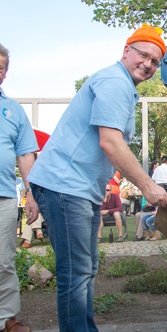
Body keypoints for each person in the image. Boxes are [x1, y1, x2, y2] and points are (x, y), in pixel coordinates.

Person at [28, 25, 167, 332]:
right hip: (65, 187)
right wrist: (148, 186)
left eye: (155, 61)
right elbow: (110, 142)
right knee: (76, 273)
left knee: (85, 270)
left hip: (80, 189)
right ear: (126, 51)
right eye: (144, 54)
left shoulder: (122, 86)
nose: (148, 64)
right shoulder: (114, 81)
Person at [0, 42, 39, 332]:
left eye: (1, 67)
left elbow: (26, 154)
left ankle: (6, 319)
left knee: (4, 261)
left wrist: (31, 193)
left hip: (3, 197)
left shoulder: (13, 110)